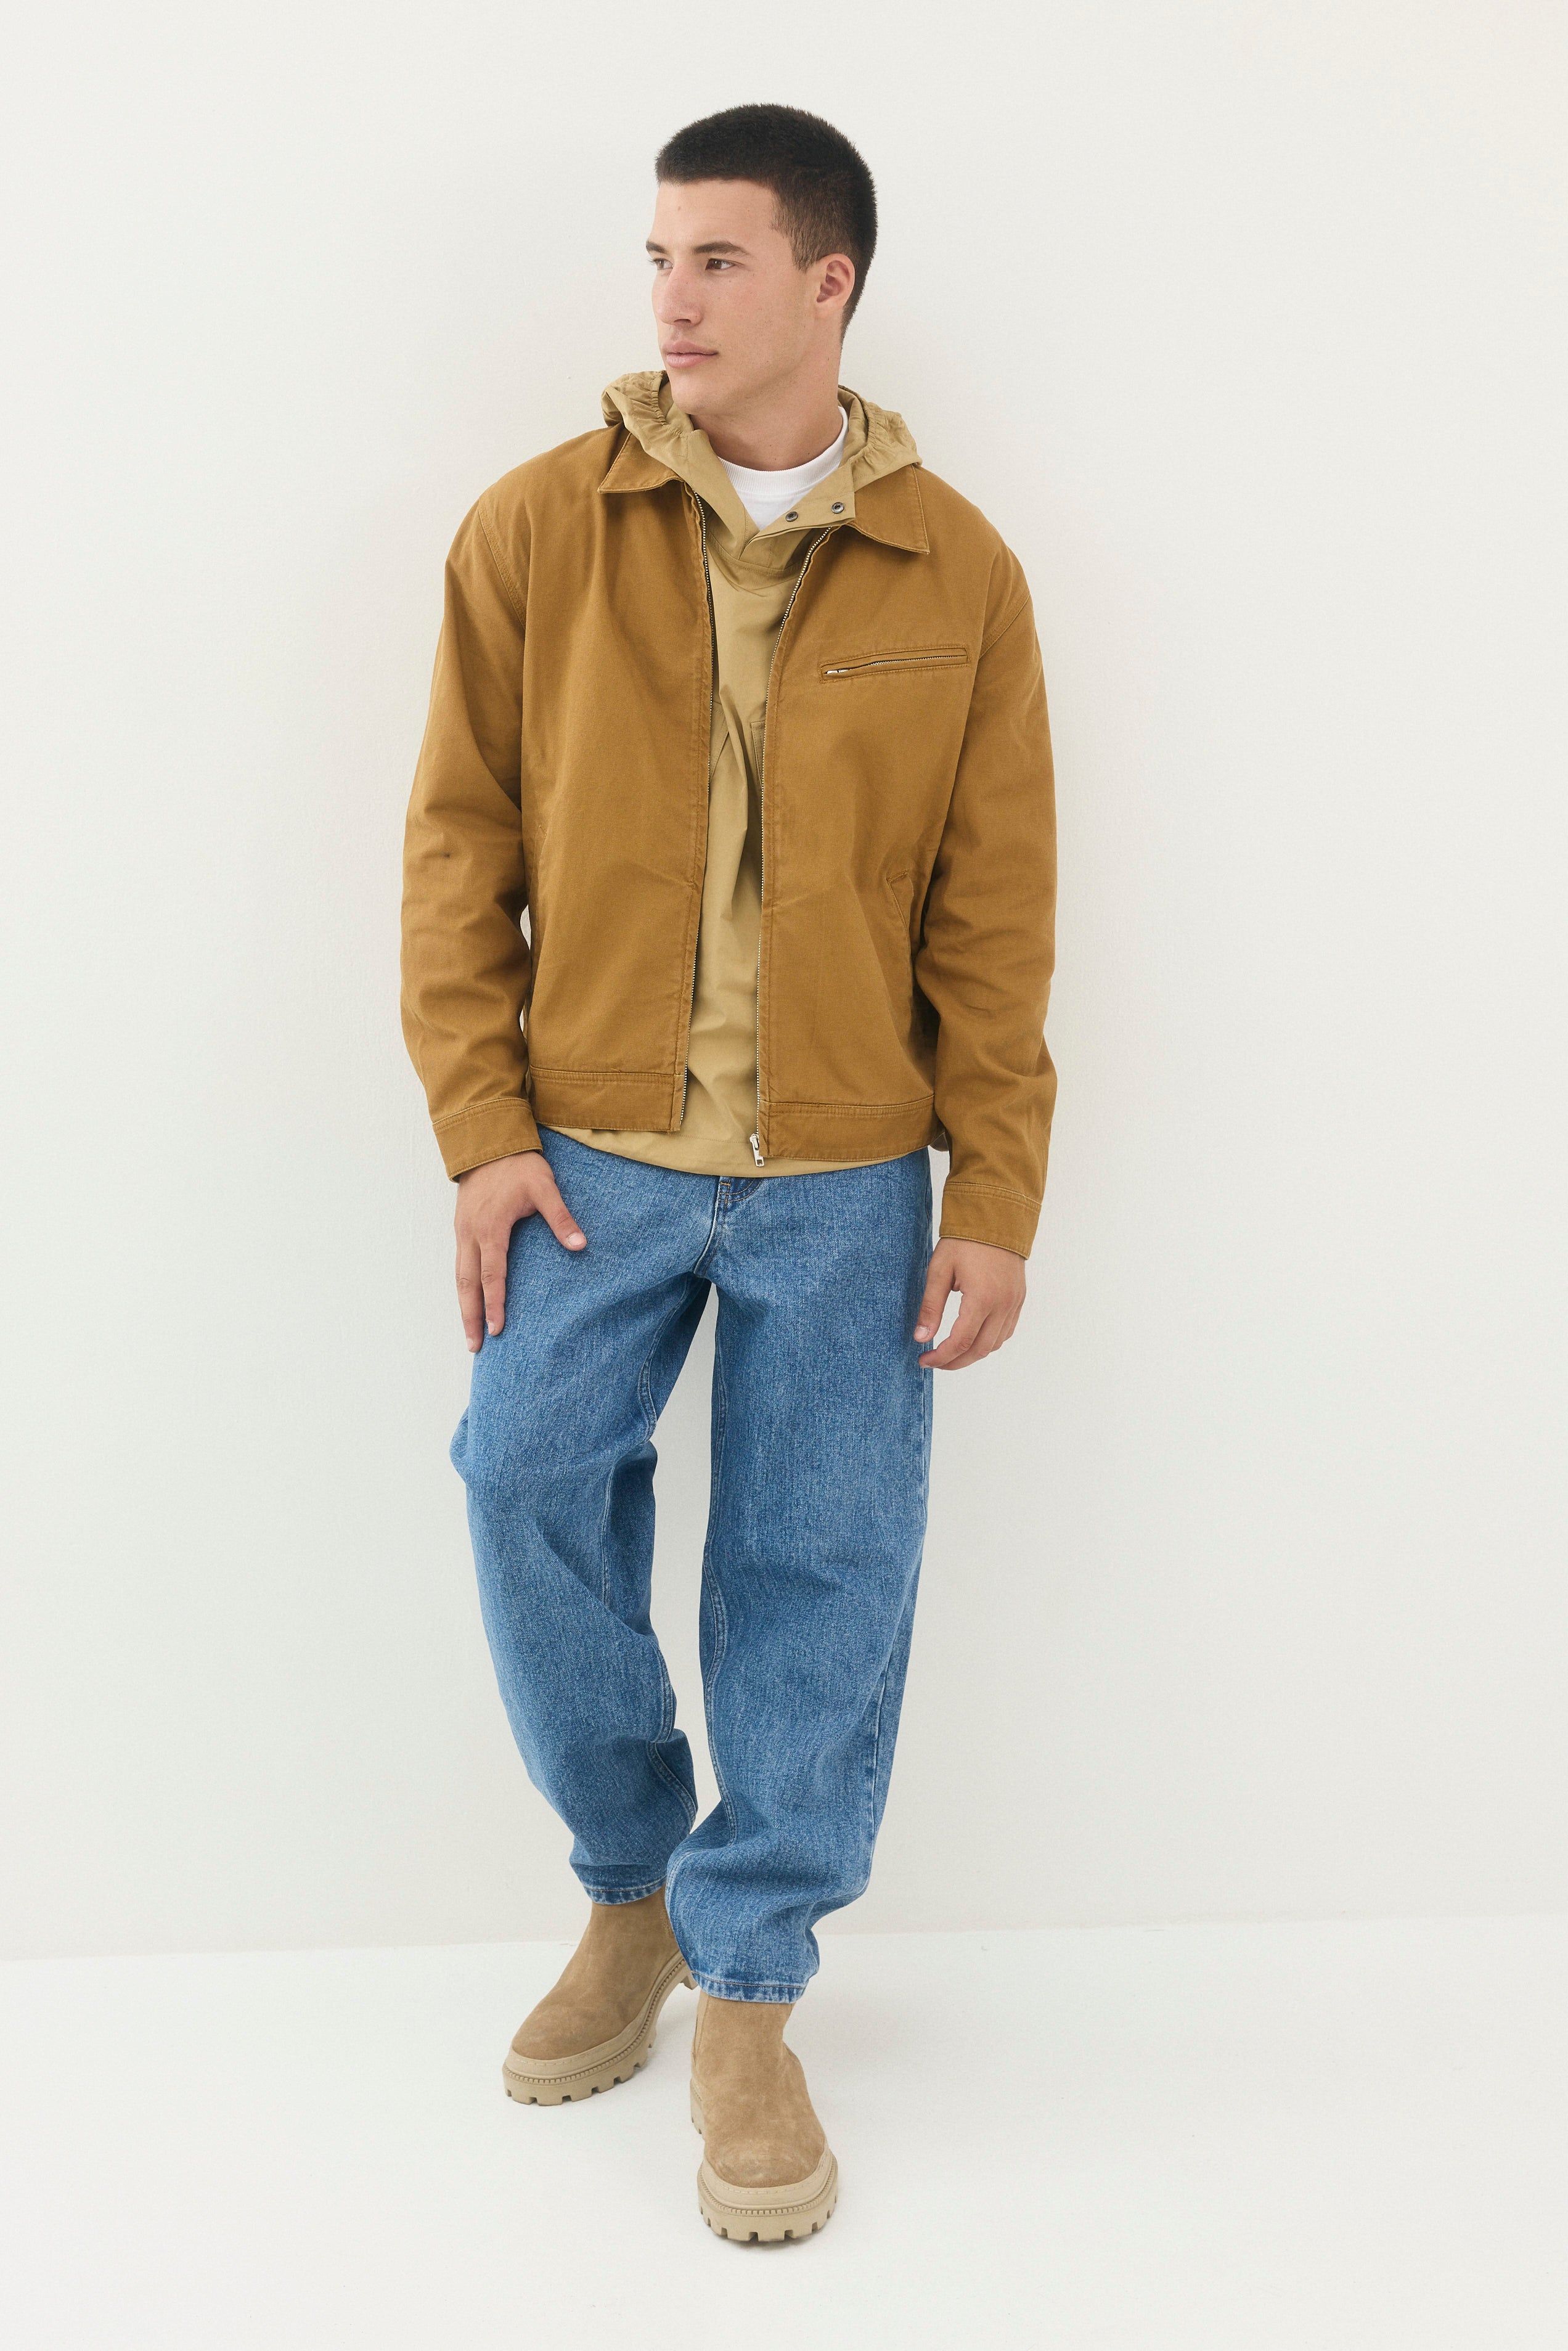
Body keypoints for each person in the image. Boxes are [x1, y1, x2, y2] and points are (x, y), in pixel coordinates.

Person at [399, 101, 1057, 2244]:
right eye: (659, 259)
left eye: (719, 260)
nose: (671, 300)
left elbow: (994, 913)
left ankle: (751, 1987)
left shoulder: (958, 569)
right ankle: (633, 1888)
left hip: (851, 1170)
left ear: (826, 284)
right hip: (593, 1151)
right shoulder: (537, 529)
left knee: (820, 1565)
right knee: (522, 1472)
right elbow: (457, 854)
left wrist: (995, 1188)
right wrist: (483, 1134)